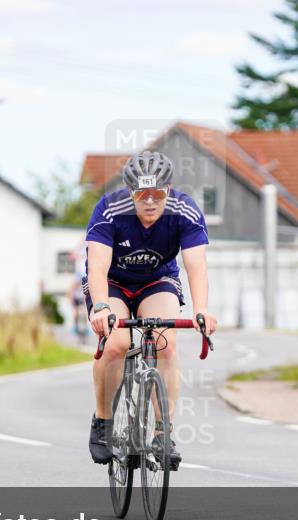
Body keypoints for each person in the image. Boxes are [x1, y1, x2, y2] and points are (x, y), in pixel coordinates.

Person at [83, 150, 218, 469]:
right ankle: (103, 421)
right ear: (130, 193)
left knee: (166, 345)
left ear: (168, 191)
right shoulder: (110, 209)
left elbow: (196, 265)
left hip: (157, 280)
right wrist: (101, 308)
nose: (149, 201)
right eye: (141, 194)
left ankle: (162, 432)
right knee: (116, 344)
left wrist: (201, 310)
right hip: (112, 282)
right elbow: (98, 266)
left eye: (157, 194)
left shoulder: (184, 210)